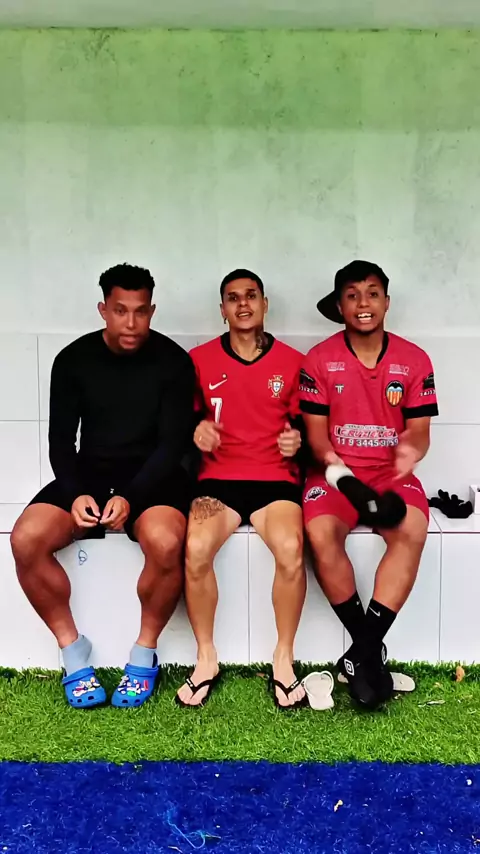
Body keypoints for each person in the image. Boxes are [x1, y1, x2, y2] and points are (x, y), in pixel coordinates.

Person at [10, 263, 195, 709]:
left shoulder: (173, 361)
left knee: (166, 542)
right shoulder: (73, 360)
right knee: (26, 539)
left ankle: (144, 653)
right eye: (119, 311)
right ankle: (74, 652)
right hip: (90, 475)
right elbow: (60, 441)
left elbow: (173, 445)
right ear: (103, 310)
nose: (130, 323)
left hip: (153, 477)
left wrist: (131, 496)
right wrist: (75, 492)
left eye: (140, 311)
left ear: (152, 311)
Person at [300, 260, 438, 709]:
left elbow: (419, 433)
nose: (364, 303)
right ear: (340, 306)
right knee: (320, 533)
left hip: (390, 474)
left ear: (387, 302)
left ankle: (360, 654)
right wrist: (345, 480)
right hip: (336, 475)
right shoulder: (318, 360)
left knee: (413, 528)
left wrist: (410, 452)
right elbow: (317, 441)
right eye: (353, 295)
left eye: (373, 293)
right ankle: (369, 653)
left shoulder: (414, 360)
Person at [176, 269, 306, 709]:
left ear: (265, 304)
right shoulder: (199, 360)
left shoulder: (293, 362)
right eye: (233, 298)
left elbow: (308, 426)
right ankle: (206, 657)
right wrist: (195, 431)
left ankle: (283, 658)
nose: (243, 304)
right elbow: (180, 422)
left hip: (275, 480)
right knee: (195, 549)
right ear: (222, 310)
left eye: (251, 296)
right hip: (218, 481)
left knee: (291, 549)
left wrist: (298, 441)